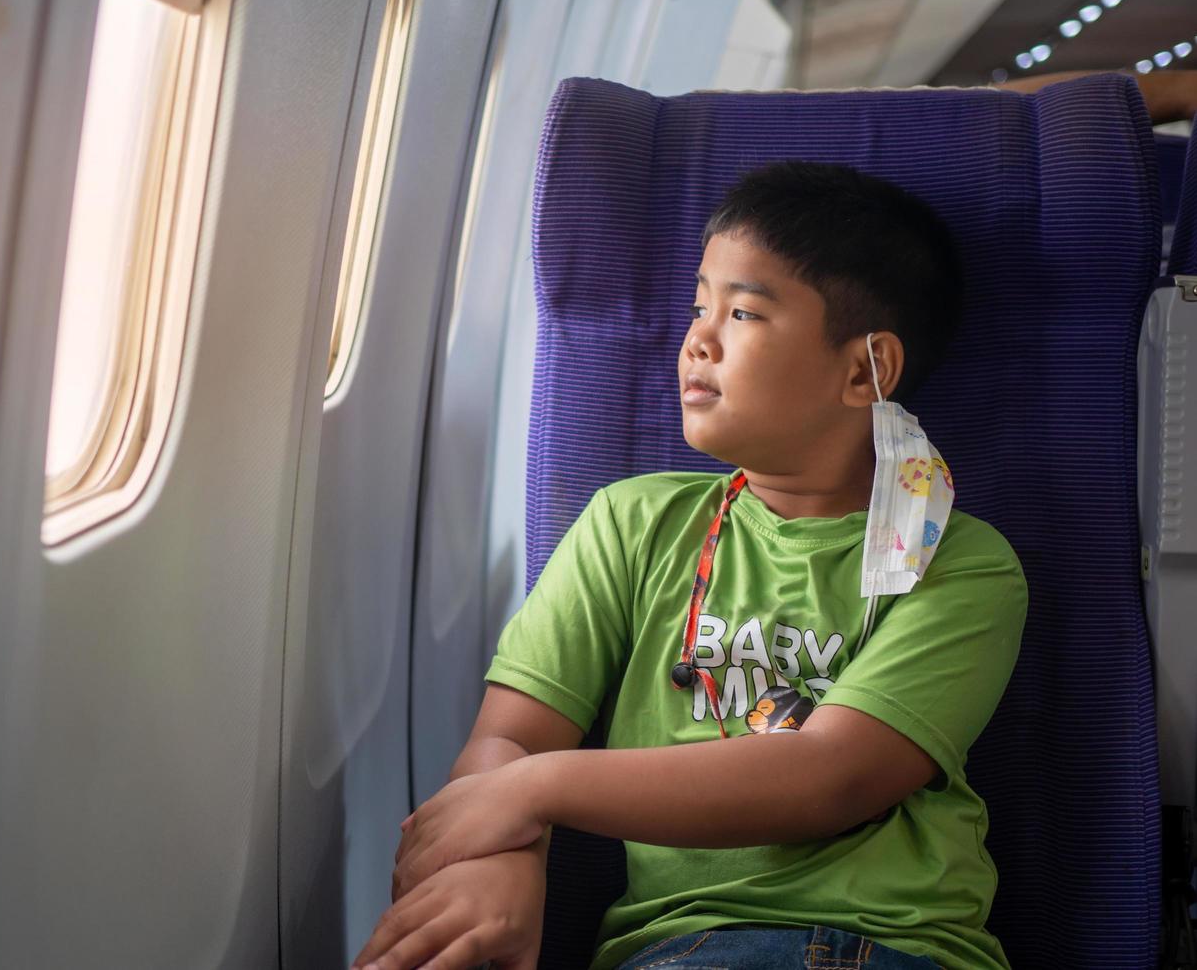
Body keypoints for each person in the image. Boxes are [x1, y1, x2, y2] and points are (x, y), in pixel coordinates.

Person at [353, 161, 1028, 970]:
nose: (697, 339)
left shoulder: (961, 563)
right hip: (676, 947)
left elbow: (828, 778)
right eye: (697, 304)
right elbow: (509, 737)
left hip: (887, 943)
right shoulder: (633, 523)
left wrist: (530, 795)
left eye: (741, 312)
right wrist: (503, 867)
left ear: (864, 370)